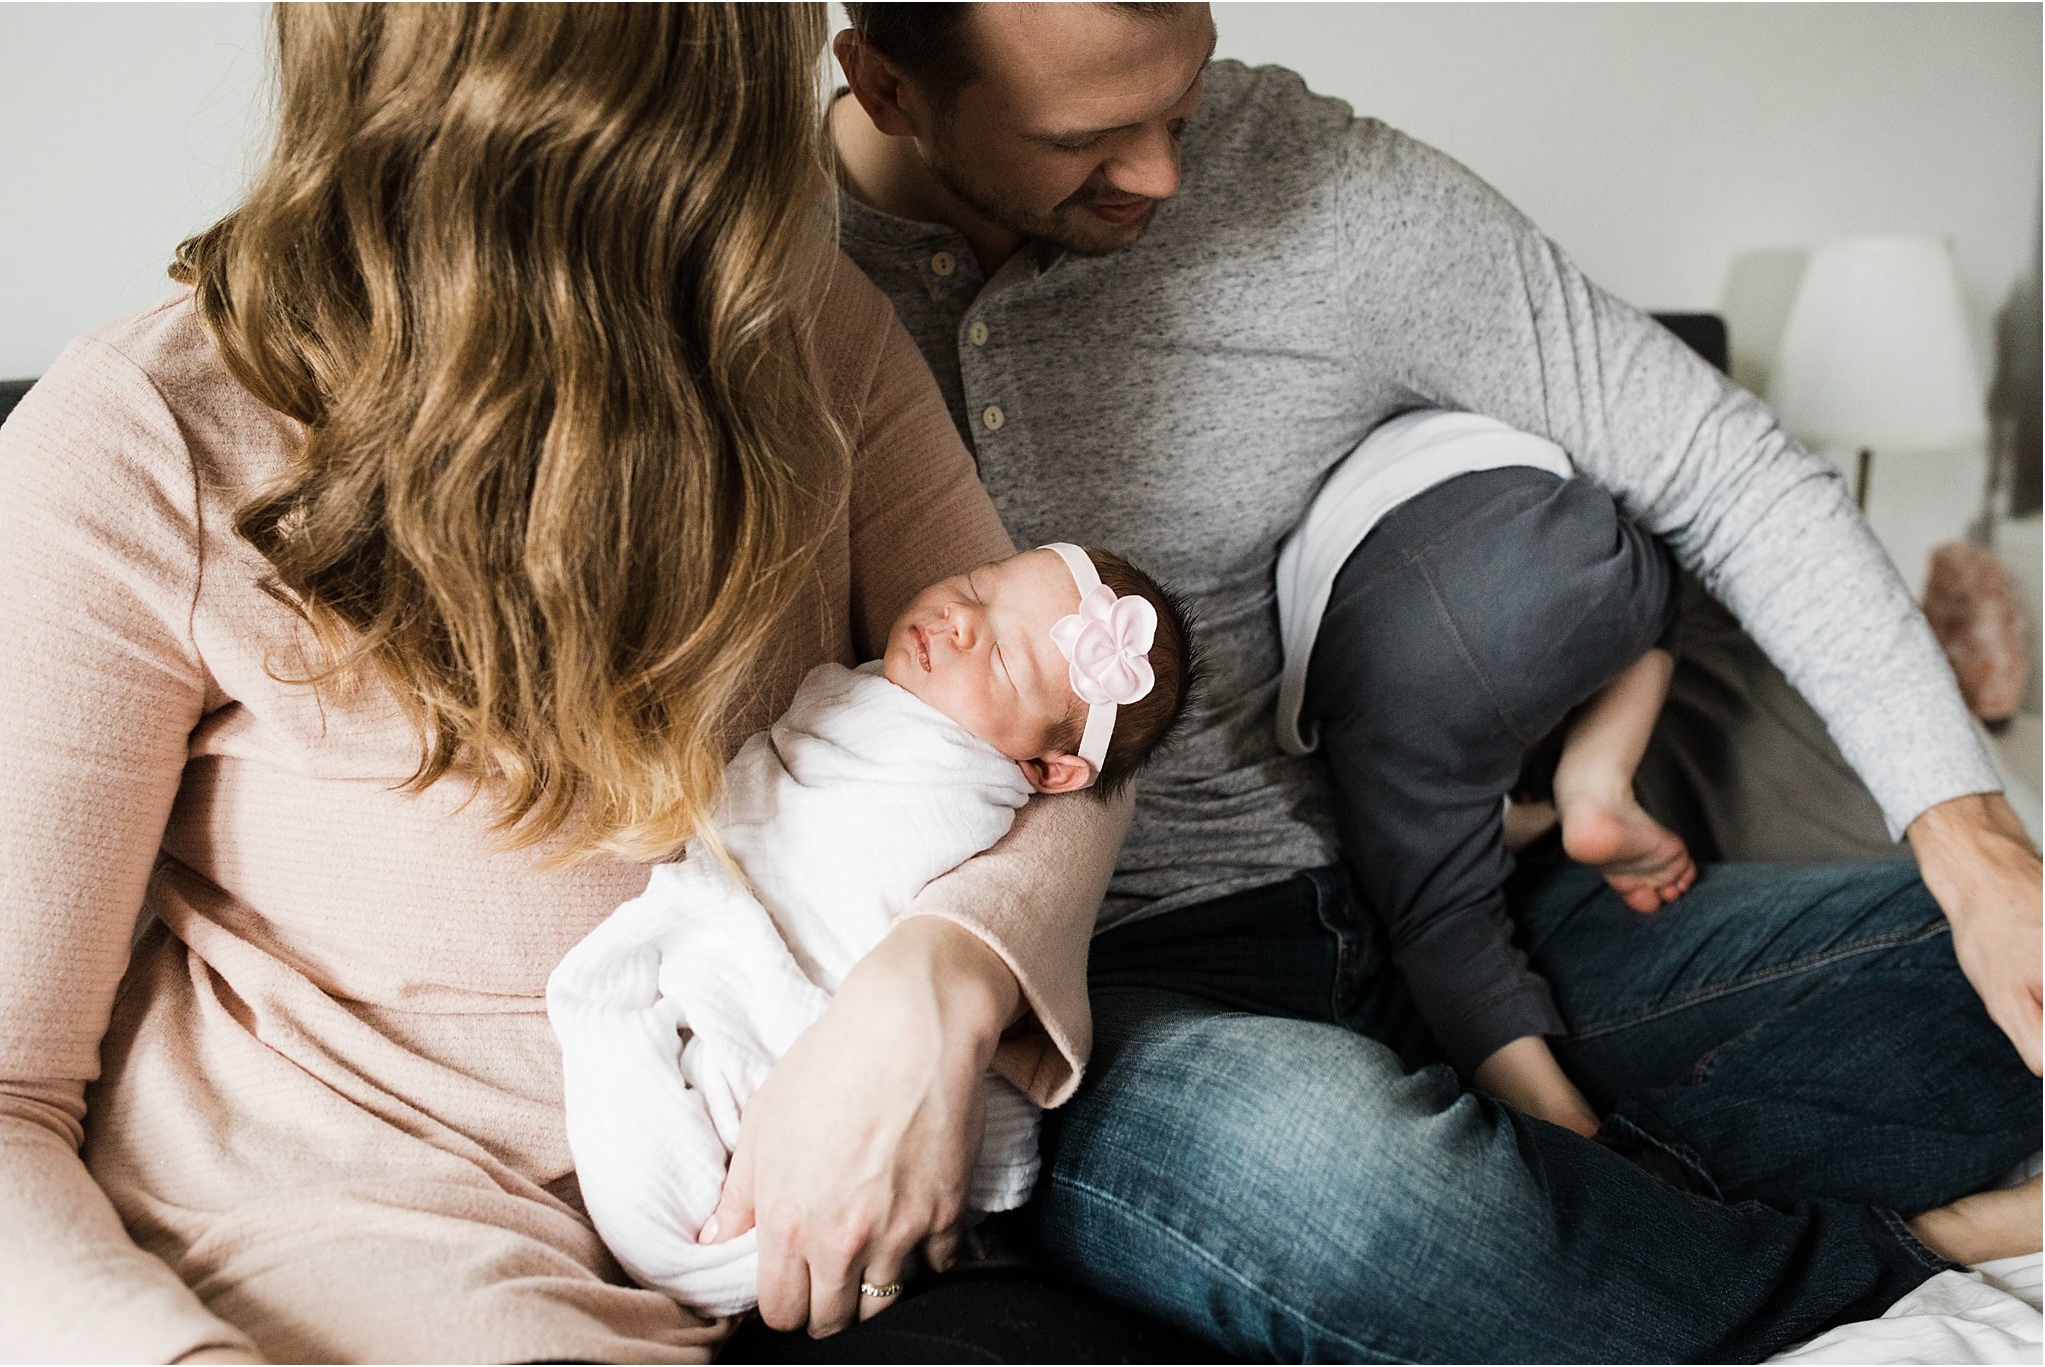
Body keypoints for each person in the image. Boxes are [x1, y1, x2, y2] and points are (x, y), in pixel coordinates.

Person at [801, 2, 2042, 1360]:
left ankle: (1596, 1214)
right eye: (1089, 138)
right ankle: (1902, 1254)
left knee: (1973, 972)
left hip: (1413, 907)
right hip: (1092, 1015)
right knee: (1344, 1176)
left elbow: (1724, 467)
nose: (1165, 173)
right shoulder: (764, 271)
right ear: (885, 84)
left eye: (1185, 99)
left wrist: (1973, 847)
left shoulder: (1314, 180)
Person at [0, 6, 1156, 1361]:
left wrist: (941, 980)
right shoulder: (145, 436)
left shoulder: (801, 326)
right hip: (392, 1245)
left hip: (782, 1210)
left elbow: (1076, 711)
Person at [550, 544, 1196, 1314]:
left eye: (1004, 661)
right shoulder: (872, 696)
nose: (959, 621)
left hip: (807, 1018)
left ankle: (738, 1217)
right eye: (975, 584)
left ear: (1049, 772)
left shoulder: (959, 785)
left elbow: (859, 881)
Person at [1274, 408, 1693, 1137]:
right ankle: (1597, 776)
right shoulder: (1478, 414)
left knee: (1440, 913)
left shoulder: (1301, 500)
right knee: (1665, 580)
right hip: (1539, 533)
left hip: (1369, 642)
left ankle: (1566, 1126)